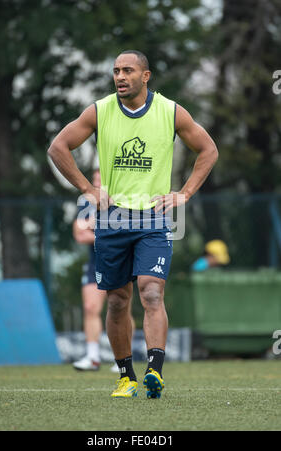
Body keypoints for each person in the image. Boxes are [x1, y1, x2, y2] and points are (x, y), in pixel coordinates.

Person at [48, 50, 218, 399]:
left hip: (154, 218)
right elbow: (58, 147)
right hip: (111, 220)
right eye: (115, 71)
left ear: (146, 76)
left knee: (152, 292)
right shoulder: (100, 110)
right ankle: (126, 376)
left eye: (128, 70)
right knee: (117, 301)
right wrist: (87, 189)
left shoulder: (170, 111)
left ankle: (154, 371)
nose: (120, 76)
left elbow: (209, 150)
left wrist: (184, 194)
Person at [72, 168, 134, 372]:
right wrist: (106, 229)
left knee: (121, 307)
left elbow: (125, 230)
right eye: (95, 179)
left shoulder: (124, 200)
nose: (98, 182)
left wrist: (94, 227)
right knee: (91, 307)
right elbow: (80, 235)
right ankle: (92, 357)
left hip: (119, 260)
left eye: (101, 178)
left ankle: (125, 356)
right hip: (95, 261)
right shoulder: (86, 202)